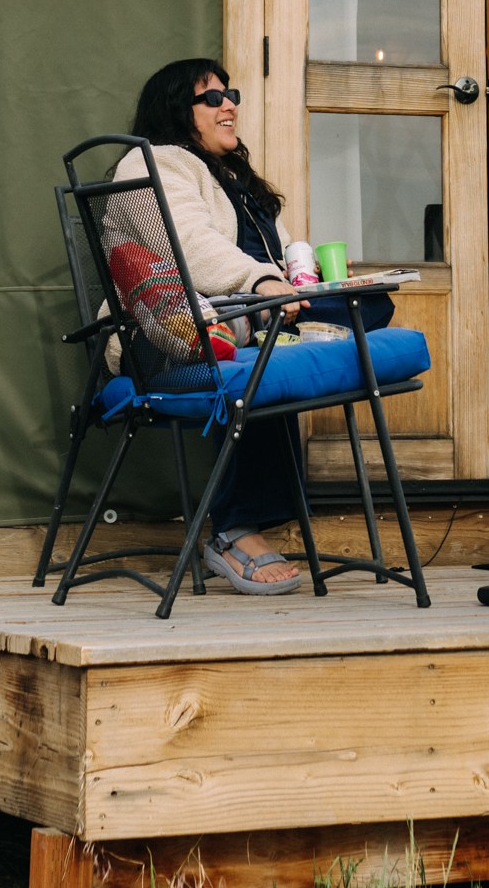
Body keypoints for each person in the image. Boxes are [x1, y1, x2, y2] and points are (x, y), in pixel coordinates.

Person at [126, 56, 318, 594]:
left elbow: (275, 255)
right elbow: (185, 242)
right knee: (265, 360)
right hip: (178, 332)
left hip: (253, 311)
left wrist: (297, 281)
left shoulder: (234, 176)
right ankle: (235, 530)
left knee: (372, 306)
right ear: (176, 111)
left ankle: (288, 328)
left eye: (229, 93)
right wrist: (261, 285)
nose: (228, 103)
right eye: (211, 97)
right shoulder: (154, 162)